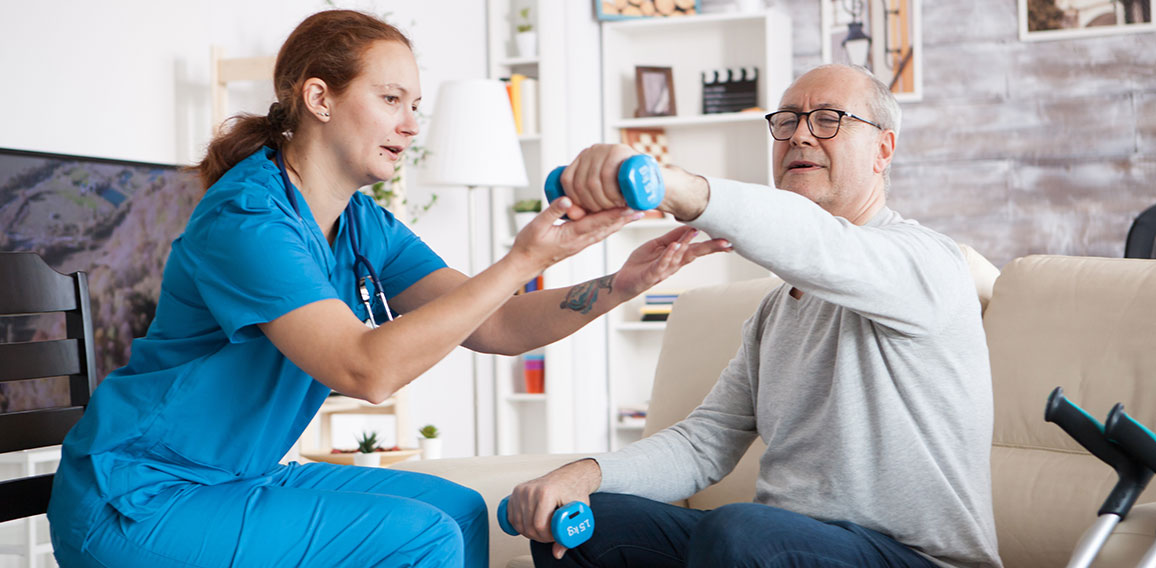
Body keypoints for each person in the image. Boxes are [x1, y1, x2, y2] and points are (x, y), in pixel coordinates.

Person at [46, 10, 730, 568]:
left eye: (416, 105)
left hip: (231, 477)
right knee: (421, 539)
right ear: (319, 97)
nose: (410, 124)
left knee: (458, 512)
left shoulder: (360, 222)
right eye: (391, 99)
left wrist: (620, 282)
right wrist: (522, 258)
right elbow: (365, 369)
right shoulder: (248, 220)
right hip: (137, 499)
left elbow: (494, 326)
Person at [504, 64, 1002, 568]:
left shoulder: (928, 263)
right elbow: (704, 444)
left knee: (741, 530)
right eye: (786, 120)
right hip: (781, 547)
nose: (801, 134)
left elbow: (816, 244)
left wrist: (668, 185)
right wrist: (583, 475)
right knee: (586, 524)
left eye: (829, 119)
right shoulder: (777, 308)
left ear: (883, 149)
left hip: (916, 558)